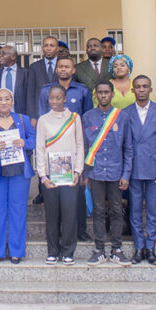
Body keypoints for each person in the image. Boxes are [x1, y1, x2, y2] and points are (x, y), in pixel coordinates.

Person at [36, 54, 92, 239]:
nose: (63, 69)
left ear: (73, 70)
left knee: (76, 196)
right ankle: (58, 234)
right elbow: (43, 116)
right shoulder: (46, 90)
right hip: (52, 152)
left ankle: (80, 231)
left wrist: (80, 162)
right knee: (55, 199)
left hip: (73, 149)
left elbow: (87, 117)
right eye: (60, 66)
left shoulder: (82, 90)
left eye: (67, 66)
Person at [0, 88, 36, 264]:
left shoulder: (23, 119)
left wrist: (24, 143)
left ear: (12, 101)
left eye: (7, 99)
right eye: (0, 99)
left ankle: (16, 251)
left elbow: (34, 140)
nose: (3, 102)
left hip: (19, 172)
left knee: (18, 211)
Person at [121, 75, 156, 265]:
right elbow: (125, 144)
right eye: (138, 87)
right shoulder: (126, 112)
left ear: (150, 89)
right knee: (134, 210)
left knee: (152, 209)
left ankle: (150, 247)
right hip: (134, 168)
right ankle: (138, 247)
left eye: (145, 86)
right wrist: (125, 172)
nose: (141, 90)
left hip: (154, 167)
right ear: (133, 90)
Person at [82, 81, 134, 266]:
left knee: (117, 210)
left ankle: (117, 249)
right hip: (95, 172)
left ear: (112, 94)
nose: (103, 95)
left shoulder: (122, 117)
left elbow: (128, 148)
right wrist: (85, 173)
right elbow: (85, 146)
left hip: (115, 171)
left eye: (106, 92)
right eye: (100, 92)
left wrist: (126, 174)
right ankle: (99, 249)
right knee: (98, 211)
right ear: (96, 95)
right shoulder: (88, 117)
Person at [35, 85, 84, 265]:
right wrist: (43, 175)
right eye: (51, 98)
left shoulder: (74, 118)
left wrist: (78, 171)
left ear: (65, 99)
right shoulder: (43, 120)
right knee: (52, 215)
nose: (54, 101)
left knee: (70, 214)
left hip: (70, 174)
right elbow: (40, 148)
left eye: (58, 98)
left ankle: (68, 251)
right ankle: (53, 251)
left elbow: (80, 145)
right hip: (50, 175)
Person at [26, 36, 60, 126]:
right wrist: (32, 117)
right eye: (46, 45)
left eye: (52, 45)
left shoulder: (63, 65)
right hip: (40, 113)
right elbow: (30, 93)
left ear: (57, 48)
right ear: (42, 48)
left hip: (60, 113)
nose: (48, 48)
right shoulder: (34, 67)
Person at [0, 46, 27, 115]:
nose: (0, 56)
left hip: (20, 116)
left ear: (13, 57)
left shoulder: (25, 73)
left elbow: (29, 98)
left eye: (3, 53)